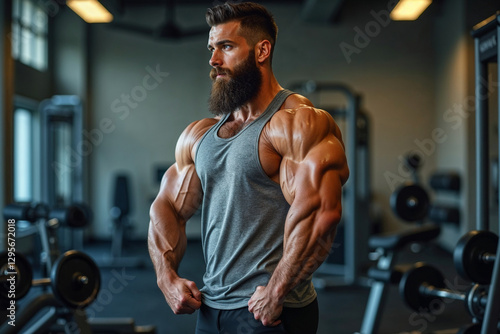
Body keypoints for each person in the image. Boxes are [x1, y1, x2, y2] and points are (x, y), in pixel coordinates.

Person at [148, 2, 349, 333]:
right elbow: (167, 206)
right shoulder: (201, 134)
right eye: (212, 49)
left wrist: (276, 291)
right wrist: (166, 277)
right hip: (212, 308)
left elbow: (321, 214)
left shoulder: (295, 122)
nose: (213, 60)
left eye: (226, 47)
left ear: (262, 51)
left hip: (269, 311)